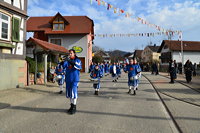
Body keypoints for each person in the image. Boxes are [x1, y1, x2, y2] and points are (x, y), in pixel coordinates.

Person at [63, 49, 82, 115]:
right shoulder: (67, 61)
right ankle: (71, 106)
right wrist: (63, 61)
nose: (70, 54)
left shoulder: (78, 60)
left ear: (74, 53)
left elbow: (78, 67)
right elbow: (63, 66)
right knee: (69, 93)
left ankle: (74, 106)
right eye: (69, 53)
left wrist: (71, 61)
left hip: (75, 79)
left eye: (71, 53)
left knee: (74, 93)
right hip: (68, 79)